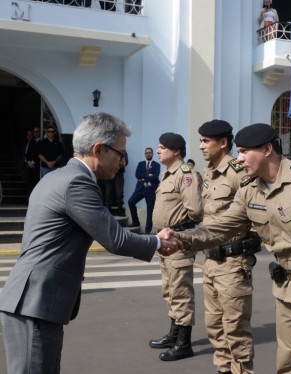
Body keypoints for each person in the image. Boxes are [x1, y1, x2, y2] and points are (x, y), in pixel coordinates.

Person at [166, 123, 291, 373]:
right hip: (285, 289)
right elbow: (220, 228)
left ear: (267, 149)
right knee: (289, 364)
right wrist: (179, 238)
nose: (238, 159)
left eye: (243, 152)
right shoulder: (250, 189)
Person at [0, 112, 181, 374]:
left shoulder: (56, 176)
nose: (122, 162)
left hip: (34, 301)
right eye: (119, 154)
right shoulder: (77, 182)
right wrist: (156, 241)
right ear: (98, 149)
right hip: (35, 303)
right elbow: (115, 238)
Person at [197, 120, 260, 374]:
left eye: (205, 141)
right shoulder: (210, 170)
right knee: (215, 327)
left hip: (233, 264)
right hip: (210, 261)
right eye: (200, 140)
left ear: (223, 143)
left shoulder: (238, 171)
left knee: (236, 330)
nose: (201, 146)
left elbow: (255, 210)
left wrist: (246, 246)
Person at [149, 133, 203, 361]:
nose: (158, 150)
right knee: (170, 290)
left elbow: (196, 211)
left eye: (162, 147)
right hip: (165, 242)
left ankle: (184, 343)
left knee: (181, 292)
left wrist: (178, 229)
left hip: (177, 240)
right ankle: (174, 333)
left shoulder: (185, 174)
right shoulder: (167, 173)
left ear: (176, 151)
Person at [127, 147, 160, 234]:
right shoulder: (140, 164)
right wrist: (149, 176)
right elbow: (137, 175)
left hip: (151, 190)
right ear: (145, 154)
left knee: (150, 210)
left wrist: (143, 178)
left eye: (150, 153)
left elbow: (155, 177)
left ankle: (147, 231)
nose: (148, 154)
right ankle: (136, 222)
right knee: (130, 202)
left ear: (152, 154)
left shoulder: (157, 165)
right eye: (146, 153)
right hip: (140, 189)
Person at [105, 152, 128, 216]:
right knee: (108, 193)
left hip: (119, 174)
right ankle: (108, 211)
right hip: (109, 173)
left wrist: (116, 163)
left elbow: (125, 163)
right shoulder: (109, 151)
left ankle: (120, 211)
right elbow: (106, 162)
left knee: (119, 193)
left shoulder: (123, 152)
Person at [23, 129, 39, 198]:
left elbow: (35, 154)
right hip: (26, 165)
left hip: (33, 166)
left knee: (32, 183)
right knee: (27, 183)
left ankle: (30, 199)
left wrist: (31, 162)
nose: (29, 136)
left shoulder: (34, 143)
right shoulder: (25, 144)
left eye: (30, 135)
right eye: (27, 135)